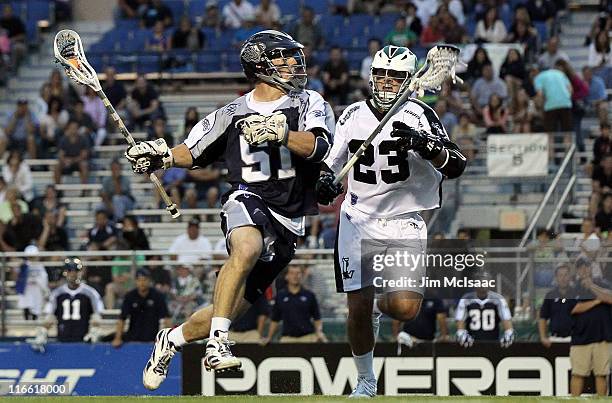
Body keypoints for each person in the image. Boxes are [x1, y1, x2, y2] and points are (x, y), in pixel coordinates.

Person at [128, 30, 333, 386]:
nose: (293, 63)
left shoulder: (309, 102)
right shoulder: (232, 112)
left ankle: (171, 339)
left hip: (288, 219)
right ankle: (218, 346)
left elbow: (318, 146)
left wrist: (281, 134)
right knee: (247, 246)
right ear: (259, 64)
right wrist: (159, 155)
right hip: (247, 198)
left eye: (292, 56)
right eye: (283, 57)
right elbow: (192, 151)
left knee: (223, 311)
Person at [315, 44, 466, 397]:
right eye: (381, 74)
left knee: (405, 309)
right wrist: (324, 184)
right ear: (371, 76)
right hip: (357, 218)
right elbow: (331, 164)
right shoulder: (352, 115)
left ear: (408, 80)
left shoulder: (420, 115)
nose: (386, 81)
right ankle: (366, 379)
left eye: (395, 76)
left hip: (403, 221)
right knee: (356, 308)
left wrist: (427, 147)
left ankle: (379, 308)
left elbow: (457, 164)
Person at [568, 257, 612, 396]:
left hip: (602, 336)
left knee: (601, 374)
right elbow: (574, 308)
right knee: (578, 373)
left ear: (591, 268)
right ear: (577, 270)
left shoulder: (603, 283)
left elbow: (610, 298)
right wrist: (597, 301)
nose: (584, 269)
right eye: (581, 267)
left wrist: (592, 286)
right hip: (581, 336)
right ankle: (575, 400)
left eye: (586, 266)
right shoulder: (573, 288)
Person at [37, 259, 104, 344]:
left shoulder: (90, 293)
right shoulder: (57, 293)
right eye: (70, 270)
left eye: (76, 270)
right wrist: (43, 331)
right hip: (63, 336)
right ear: (65, 273)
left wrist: (94, 331)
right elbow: (49, 317)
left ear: (81, 272)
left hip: (83, 337)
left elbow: (97, 315)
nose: (73, 274)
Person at [262, 265, 326, 343]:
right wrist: (269, 337)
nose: (295, 276)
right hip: (287, 338)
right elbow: (275, 319)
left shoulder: (309, 295)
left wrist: (319, 332)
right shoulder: (280, 296)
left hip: (308, 337)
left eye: (298, 273)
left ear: (302, 276)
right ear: (286, 276)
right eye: (292, 273)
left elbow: (317, 318)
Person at [112, 268, 172, 347]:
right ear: (135, 281)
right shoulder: (130, 296)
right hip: (133, 340)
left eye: (144, 280)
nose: (142, 283)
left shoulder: (157, 296)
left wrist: (169, 339)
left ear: (149, 281)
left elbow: (167, 319)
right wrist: (117, 338)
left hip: (152, 340)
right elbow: (122, 319)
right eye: (139, 280)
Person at [455, 280, 515, 348]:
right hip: (471, 343)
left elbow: (507, 322)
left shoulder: (498, 299)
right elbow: (460, 323)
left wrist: (508, 333)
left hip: (493, 341)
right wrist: (461, 333)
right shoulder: (466, 299)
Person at [539, 264, 575, 346]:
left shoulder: (577, 294)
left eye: (566, 275)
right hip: (554, 339)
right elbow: (543, 317)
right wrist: (543, 337)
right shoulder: (550, 295)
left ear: (570, 277)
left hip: (574, 339)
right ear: (556, 278)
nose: (563, 278)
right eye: (560, 275)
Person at [534, 59, 573, 134]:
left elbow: (540, 94)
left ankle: (551, 146)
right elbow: (570, 89)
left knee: (551, 132)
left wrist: (541, 109)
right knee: (567, 130)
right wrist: (567, 98)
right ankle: (569, 145)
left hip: (550, 105)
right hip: (565, 103)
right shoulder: (560, 73)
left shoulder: (539, 77)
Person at [16, 245, 49, 320]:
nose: (31, 259)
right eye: (30, 257)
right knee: (26, 305)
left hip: (37, 289)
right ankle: (27, 321)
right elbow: (18, 278)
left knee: (36, 306)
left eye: (33, 257)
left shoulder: (40, 266)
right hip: (26, 290)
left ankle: (34, 321)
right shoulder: (23, 265)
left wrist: (43, 287)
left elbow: (44, 278)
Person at [54, 120, 89, 185]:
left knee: (84, 165)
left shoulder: (83, 139)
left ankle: (84, 189)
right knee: (57, 166)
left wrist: (72, 161)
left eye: (75, 128)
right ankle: (58, 190)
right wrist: (65, 160)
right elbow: (60, 155)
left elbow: (84, 155)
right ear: (68, 129)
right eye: (72, 128)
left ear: (78, 129)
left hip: (78, 163)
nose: (73, 130)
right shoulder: (63, 139)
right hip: (67, 163)